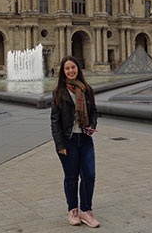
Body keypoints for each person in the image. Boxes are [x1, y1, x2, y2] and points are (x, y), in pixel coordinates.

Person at [51, 56, 100, 228]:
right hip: (69, 140)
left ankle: (86, 211)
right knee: (71, 177)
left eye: (73, 67)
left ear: (78, 69)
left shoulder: (87, 89)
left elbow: (93, 112)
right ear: (63, 72)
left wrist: (92, 125)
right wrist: (60, 145)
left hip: (85, 139)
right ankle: (73, 210)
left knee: (89, 175)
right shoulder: (59, 92)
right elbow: (55, 121)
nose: (71, 71)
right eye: (67, 68)